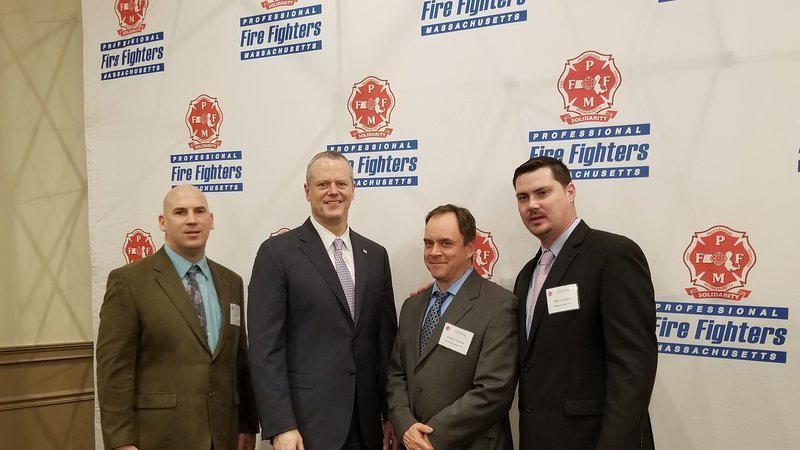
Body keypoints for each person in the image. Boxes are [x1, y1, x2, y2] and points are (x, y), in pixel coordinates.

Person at [248, 151, 398, 450]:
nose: (333, 192)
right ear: (307, 191)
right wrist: (281, 424)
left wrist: (389, 414)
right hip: (306, 427)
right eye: (322, 184)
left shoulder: (375, 255)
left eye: (341, 184)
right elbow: (265, 350)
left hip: (367, 425)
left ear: (353, 189)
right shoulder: (277, 254)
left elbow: (386, 343)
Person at [96, 184, 258, 450]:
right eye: (180, 212)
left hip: (224, 435)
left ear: (211, 220)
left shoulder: (231, 282)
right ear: (163, 222)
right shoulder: (129, 282)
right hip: (159, 437)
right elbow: (114, 370)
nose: (192, 220)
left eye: (199, 211)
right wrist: (120, 441)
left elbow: (238, 361)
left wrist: (246, 424)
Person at [512, 157, 658, 450]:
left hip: (595, 440)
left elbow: (633, 364)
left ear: (570, 191)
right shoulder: (527, 274)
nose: (532, 205)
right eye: (523, 197)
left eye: (542, 193)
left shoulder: (613, 254)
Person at [387, 204, 518, 450]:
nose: (434, 252)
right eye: (428, 243)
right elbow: (396, 375)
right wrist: (405, 426)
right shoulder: (411, 306)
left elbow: (494, 391)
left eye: (446, 243)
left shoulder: (499, 305)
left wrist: (429, 438)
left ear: (470, 248)